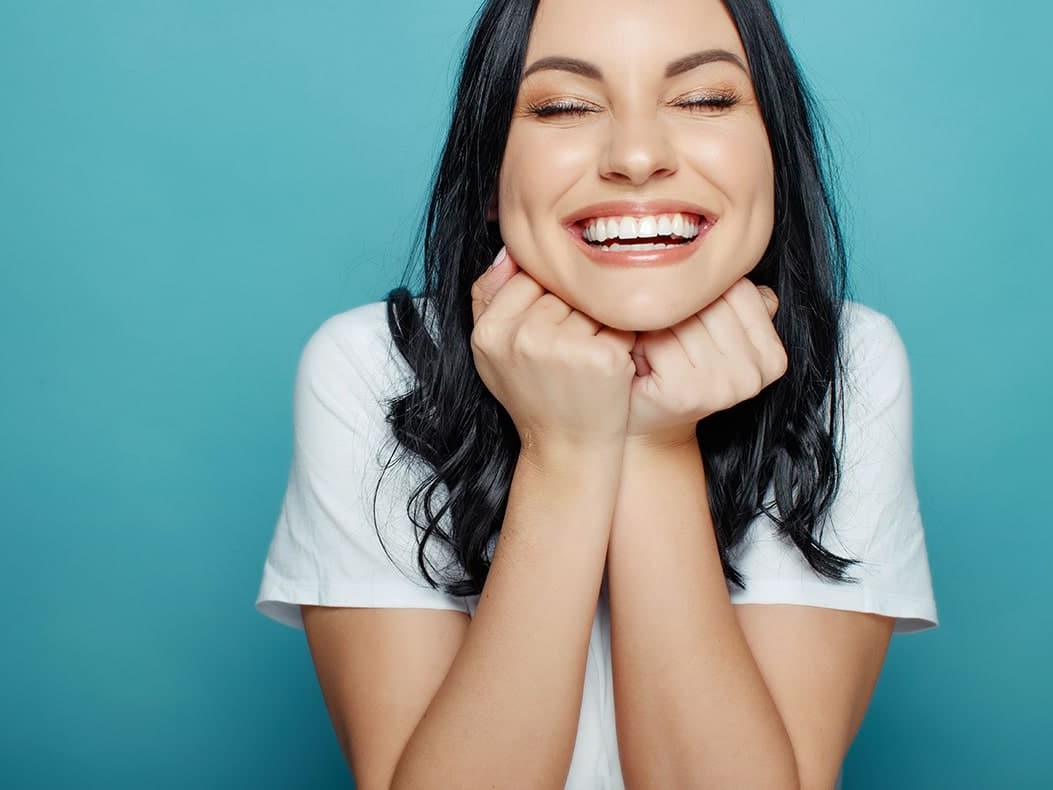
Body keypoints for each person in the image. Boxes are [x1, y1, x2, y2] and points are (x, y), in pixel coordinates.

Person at [255, 0, 939, 787]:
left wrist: (656, 443)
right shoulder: (375, 367)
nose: (639, 155)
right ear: (487, 176)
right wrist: (567, 452)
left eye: (706, 99)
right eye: (565, 107)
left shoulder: (846, 363)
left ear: (776, 153)